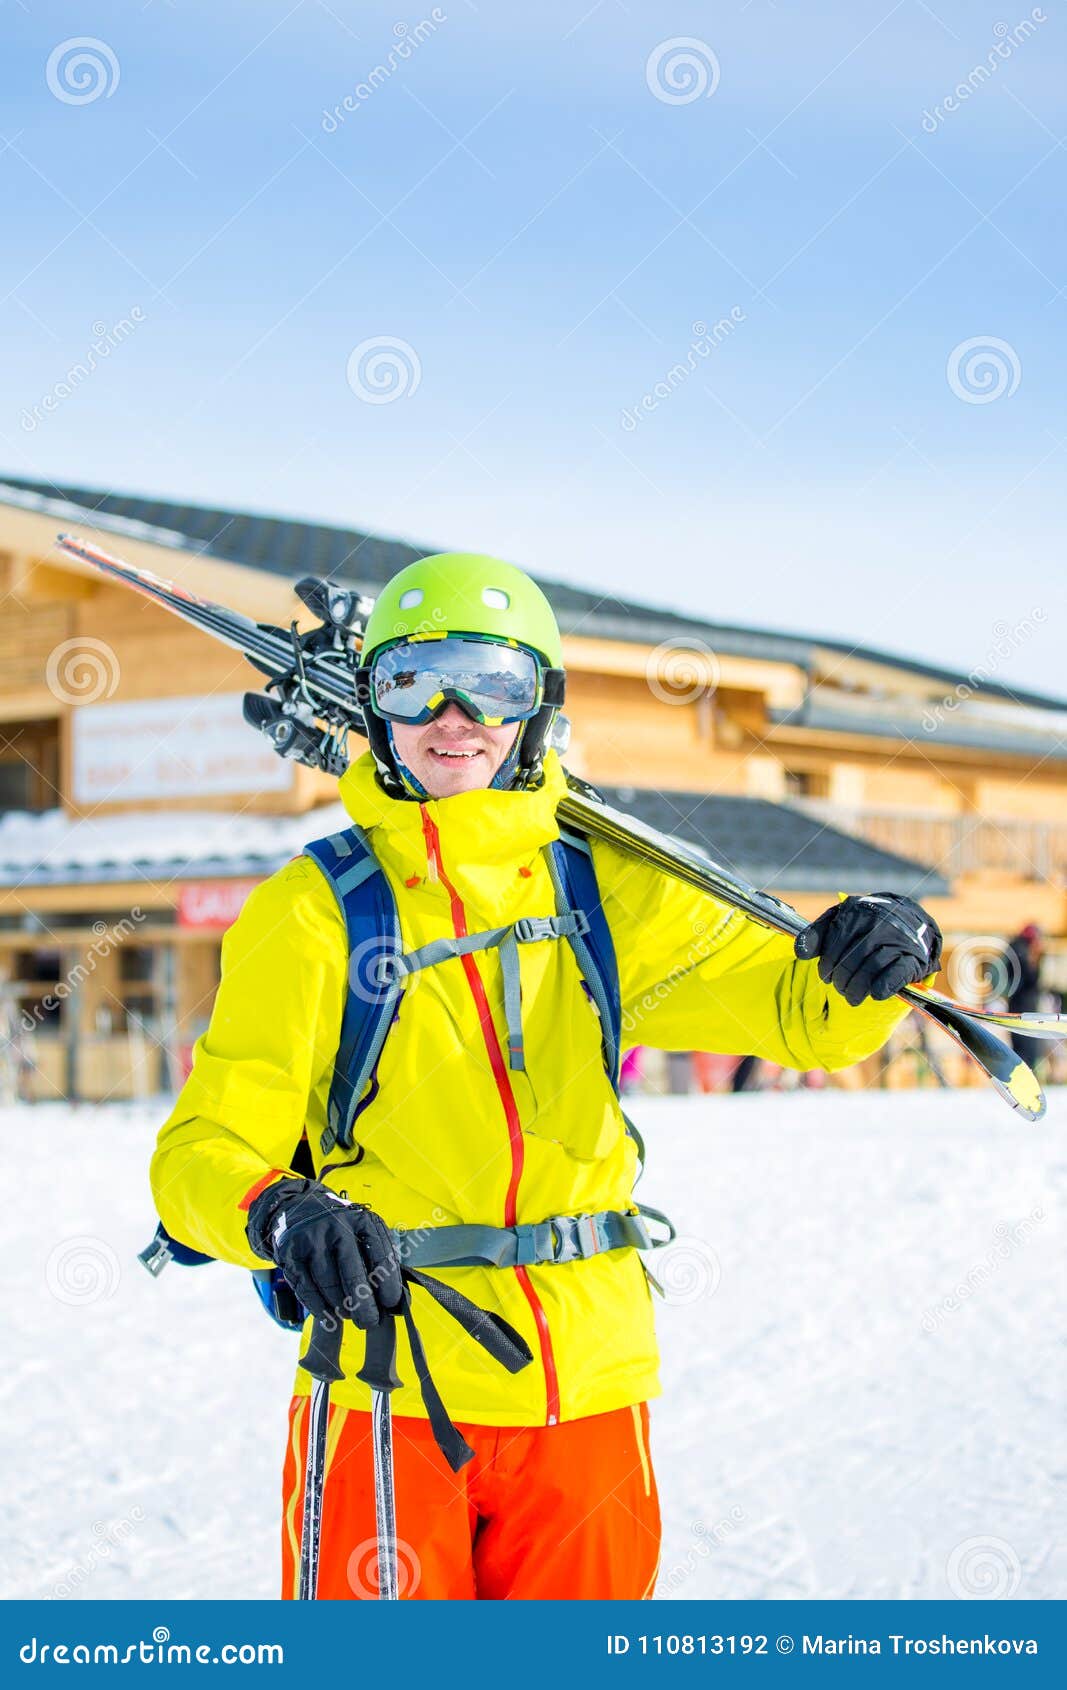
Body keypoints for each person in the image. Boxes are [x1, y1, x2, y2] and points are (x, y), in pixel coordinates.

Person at [150, 553, 942, 1601]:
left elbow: (797, 1012)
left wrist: (878, 954)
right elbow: (199, 1155)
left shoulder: (608, 892)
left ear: (541, 706)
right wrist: (282, 1213)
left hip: (589, 1384)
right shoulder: (310, 913)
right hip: (389, 1381)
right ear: (373, 705)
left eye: (493, 684)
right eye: (411, 681)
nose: (451, 714)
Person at [1007, 923, 1047, 1076]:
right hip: (1023, 1006)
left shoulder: (1014, 949)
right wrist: (1036, 957)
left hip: (1021, 1005)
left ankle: (1024, 1076)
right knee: (1026, 1047)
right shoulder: (1021, 951)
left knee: (1023, 1046)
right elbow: (1031, 979)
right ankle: (1026, 1077)